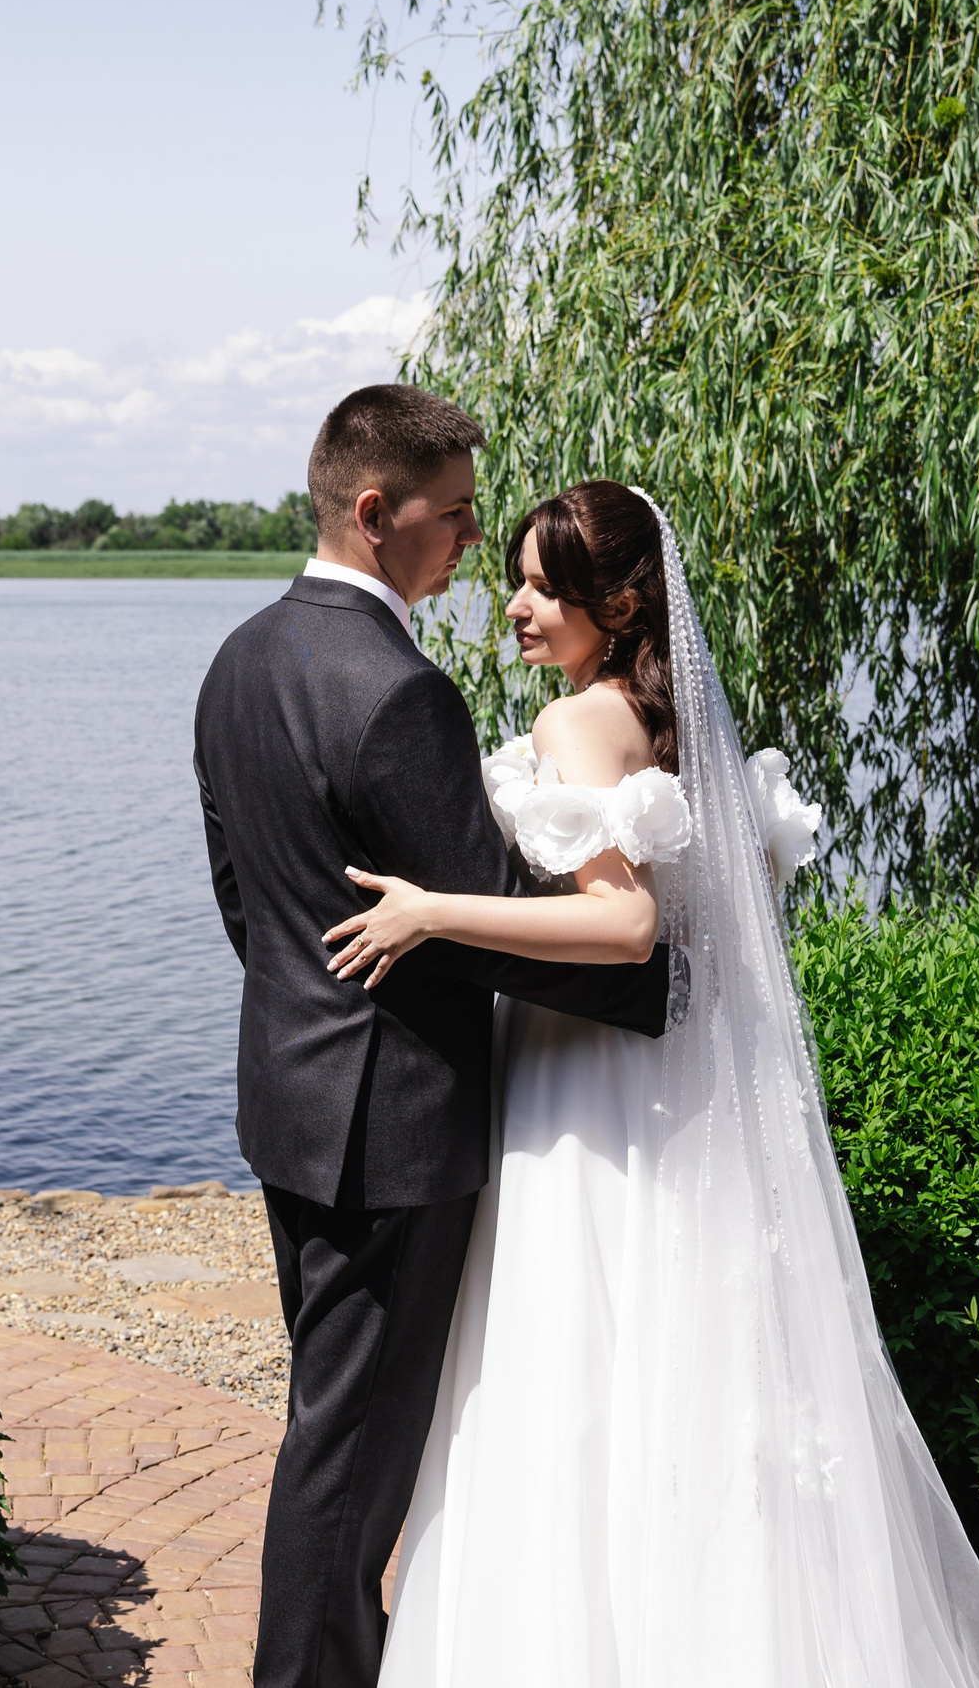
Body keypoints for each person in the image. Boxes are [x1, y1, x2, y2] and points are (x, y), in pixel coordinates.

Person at [328, 481, 979, 1687]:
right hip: (661, 1088)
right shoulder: (675, 721)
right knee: (683, 1363)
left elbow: (629, 925)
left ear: (621, 601)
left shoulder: (575, 723)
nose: (517, 606)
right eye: (517, 578)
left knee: (570, 1363)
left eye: (548, 587)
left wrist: (431, 910)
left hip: (582, 1085)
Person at [192, 388, 672, 1688]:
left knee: (330, 1431)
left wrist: (317, 1011)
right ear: (374, 509)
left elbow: (250, 900)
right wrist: (665, 986)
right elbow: (485, 922)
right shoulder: (398, 688)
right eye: (452, 514)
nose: (465, 541)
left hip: (289, 1105)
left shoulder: (239, 657)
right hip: (393, 1129)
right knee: (349, 1464)